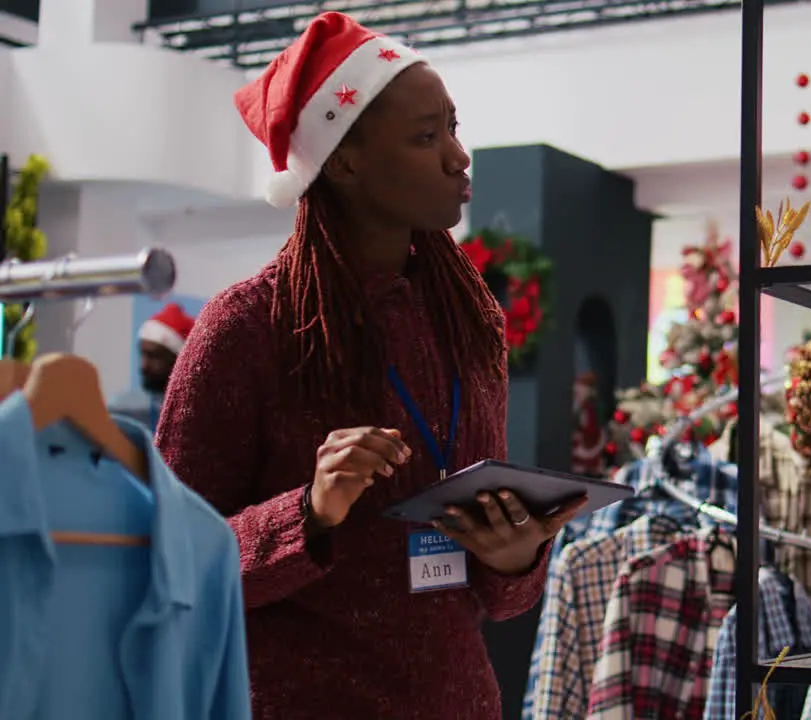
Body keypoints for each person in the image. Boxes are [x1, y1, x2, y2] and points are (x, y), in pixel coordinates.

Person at [153, 12, 585, 719]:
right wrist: (310, 511)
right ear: (345, 161)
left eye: (452, 126)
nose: (458, 156)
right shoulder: (248, 326)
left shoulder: (466, 321)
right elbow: (173, 565)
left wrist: (514, 556)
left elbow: (495, 596)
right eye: (425, 136)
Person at [108, 302, 195, 431]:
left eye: (154, 356)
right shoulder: (121, 411)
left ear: (180, 361)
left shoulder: (198, 415)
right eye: (142, 354)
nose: (144, 365)